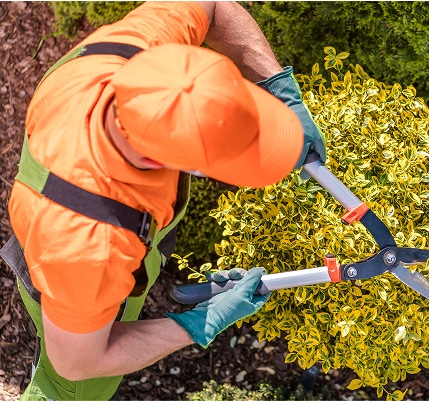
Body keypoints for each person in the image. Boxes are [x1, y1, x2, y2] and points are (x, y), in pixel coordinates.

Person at [1, 2, 326, 400]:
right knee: (72, 388)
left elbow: (210, 6)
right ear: (161, 162)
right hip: (67, 293)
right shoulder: (89, 248)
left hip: (96, 238)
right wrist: (200, 322)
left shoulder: (138, 59)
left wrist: (277, 88)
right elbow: (77, 359)